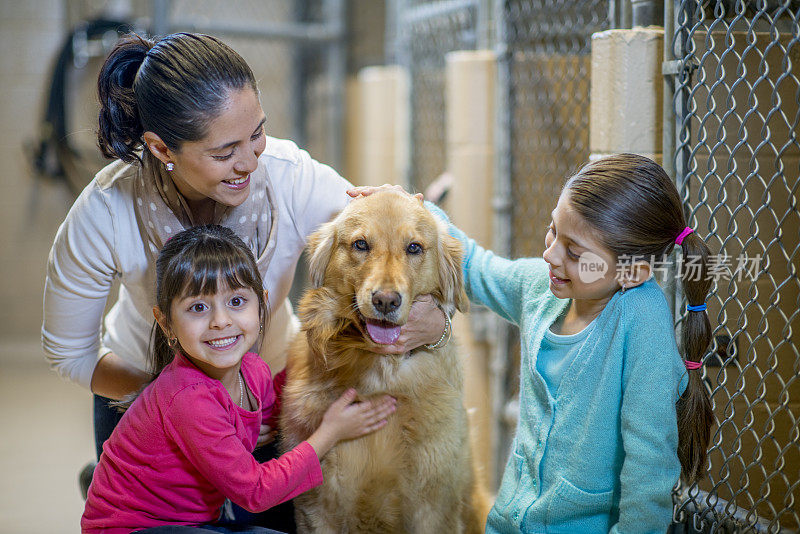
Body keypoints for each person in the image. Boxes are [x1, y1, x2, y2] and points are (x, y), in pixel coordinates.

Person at [40, 31, 447, 514]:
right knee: (155, 510)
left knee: (269, 512)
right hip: (143, 392)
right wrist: (173, 404)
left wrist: (436, 318)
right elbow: (69, 352)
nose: (251, 161)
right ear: (161, 147)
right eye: (224, 151)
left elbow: (393, 239)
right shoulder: (106, 212)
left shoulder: (289, 176)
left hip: (266, 392)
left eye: (257, 133)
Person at [387, 153, 713, 533]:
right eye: (553, 229)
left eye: (575, 253)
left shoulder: (640, 321)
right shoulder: (542, 288)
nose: (551, 254)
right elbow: (478, 268)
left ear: (632, 271)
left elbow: (649, 475)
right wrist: (417, 214)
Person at [81, 224, 397, 534]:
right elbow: (255, 492)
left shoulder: (253, 369)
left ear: (262, 304)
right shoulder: (188, 397)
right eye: (198, 307)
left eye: (236, 301)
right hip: (132, 527)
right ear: (166, 324)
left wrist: (322, 353)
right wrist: (331, 431)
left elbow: (276, 411)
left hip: (194, 522)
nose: (221, 321)